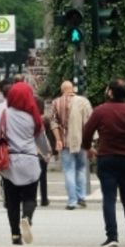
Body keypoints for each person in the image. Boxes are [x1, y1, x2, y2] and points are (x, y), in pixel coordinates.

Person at [82, 79, 125, 247]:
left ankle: (112, 236)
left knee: (109, 197)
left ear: (111, 93)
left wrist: (88, 148)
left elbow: (87, 133)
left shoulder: (100, 111)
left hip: (106, 158)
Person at [0, 82, 47, 246]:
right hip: (30, 160)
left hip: (10, 162)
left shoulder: (4, 114)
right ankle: (27, 217)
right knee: (30, 197)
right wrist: (48, 152)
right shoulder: (33, 116)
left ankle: (15, 235)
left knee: (12, 201)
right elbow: (41, 139)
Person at [49, 80, 94, 210]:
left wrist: (58, 139)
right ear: (72, 89)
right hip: (81, 141)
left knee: (69, 170)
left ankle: (72, 201)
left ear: (62, 90)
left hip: (64, 142)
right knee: (80, 169)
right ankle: (81, 198)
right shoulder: (84, 102)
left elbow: (53, 123)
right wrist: (90, 142)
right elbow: (89, 122)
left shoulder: (56, 102)